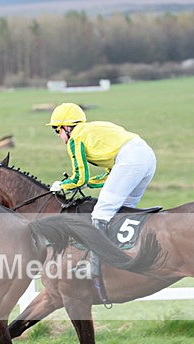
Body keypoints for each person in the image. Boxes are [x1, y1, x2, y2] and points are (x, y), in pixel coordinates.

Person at [46, 102, 156, 303]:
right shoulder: (92, 131)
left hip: (131, 159)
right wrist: (88, 183)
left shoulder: (76, 138)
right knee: (123, 210)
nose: (59, 136)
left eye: (57, 130)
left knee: (101, 212)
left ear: (67, 127)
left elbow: (79, 177)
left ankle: (94, 265)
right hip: (146, 156)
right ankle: (126, 251)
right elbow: (107, 175)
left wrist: (61, 186)